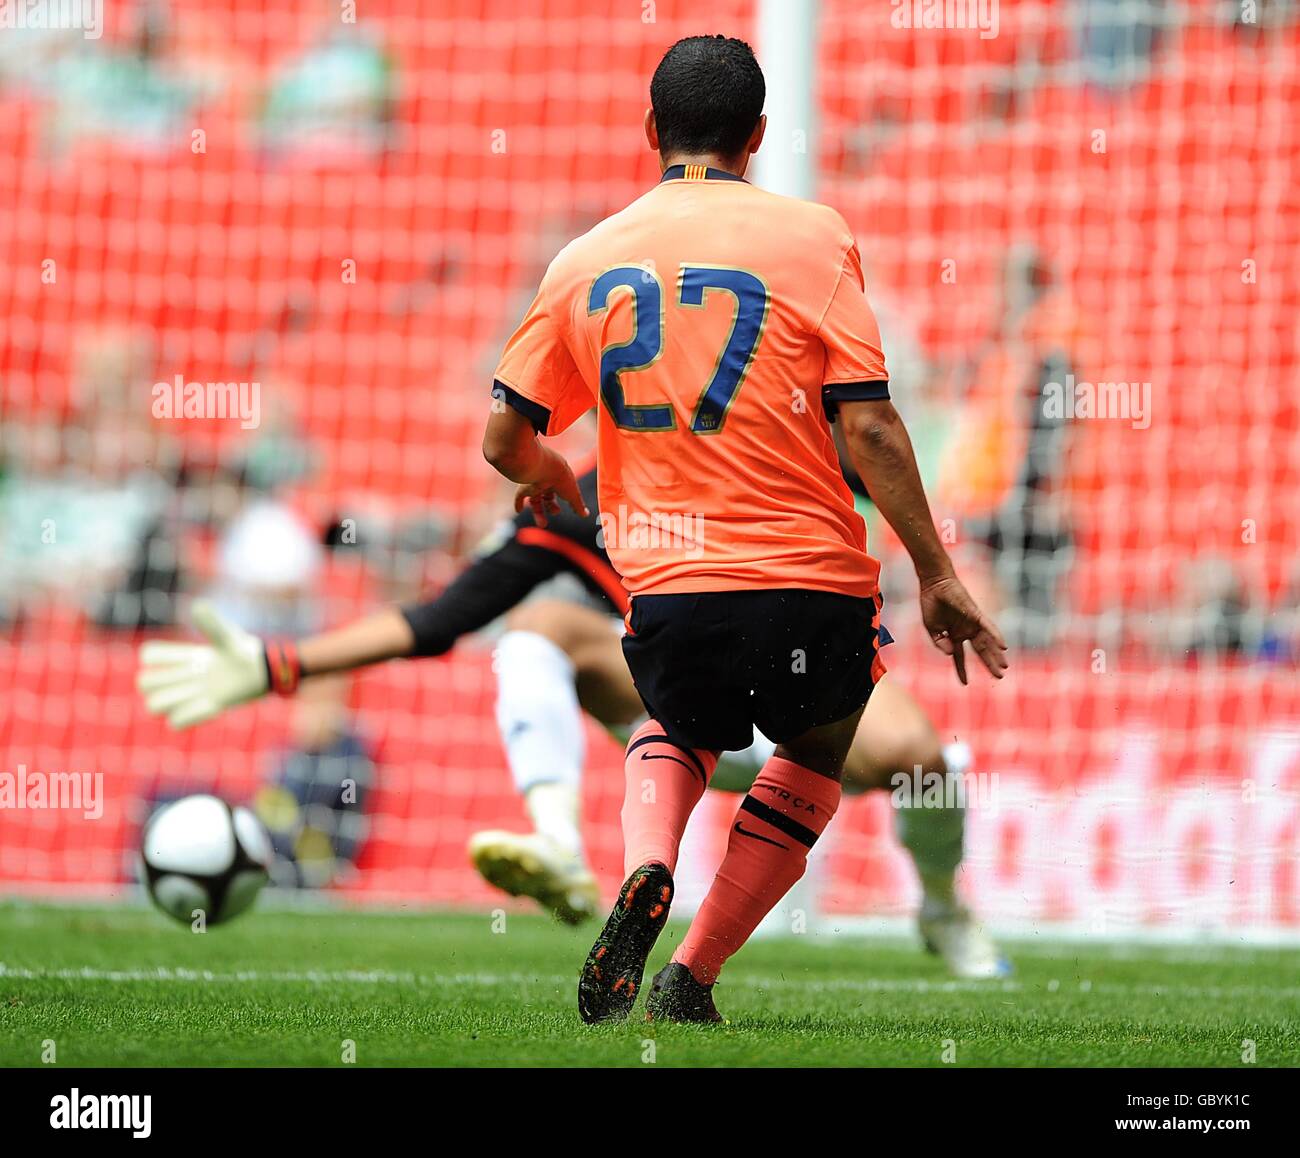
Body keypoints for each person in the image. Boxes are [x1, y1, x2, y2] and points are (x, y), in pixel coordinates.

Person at [478, 36, 1006, 1023]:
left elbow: (503, 438)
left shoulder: (583, 259)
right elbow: (872, 422)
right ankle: (694, 973)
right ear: (758, 137)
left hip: (668, 585)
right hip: (812, 578)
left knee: (677, 726)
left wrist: (550, 471)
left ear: (649, 132)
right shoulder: (814, 235)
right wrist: (935, 571)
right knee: (815, 751)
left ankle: (645, 866)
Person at [137, 458, 1007, 977]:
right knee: (540, 625)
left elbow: (879, 447)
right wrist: (280, 663)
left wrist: (939, 567)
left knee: (926, 762)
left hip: (794, 690)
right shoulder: (588, 498)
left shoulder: (775, 440)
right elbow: (441, 620)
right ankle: (556, 839)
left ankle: (939, 907)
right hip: (675, 707)